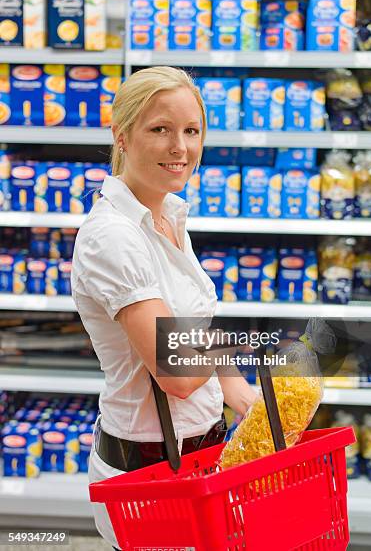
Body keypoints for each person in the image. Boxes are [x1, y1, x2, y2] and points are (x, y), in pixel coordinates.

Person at [71, 66, 258, 549]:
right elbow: (175, 371)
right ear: (122, 137)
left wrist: (243, 398)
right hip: (150, 474)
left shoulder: (168, 213)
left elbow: (196, 329)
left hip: (200, 455)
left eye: (191, 131)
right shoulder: (114, 236)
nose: (181, 148)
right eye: (161, 130)